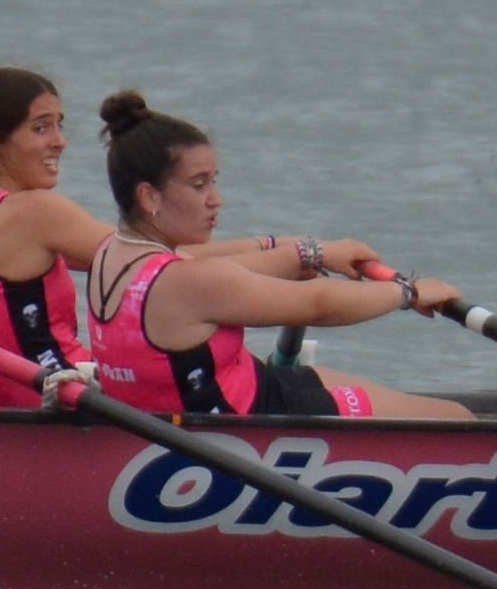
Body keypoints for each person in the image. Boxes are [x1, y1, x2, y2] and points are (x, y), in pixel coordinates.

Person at [77, 94, 475, 423]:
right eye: (199, 185)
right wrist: (409, 292)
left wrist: (311, 252)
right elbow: (317, 304)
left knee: (366, 390)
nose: (216, 199)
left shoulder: (112, 253)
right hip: (252, 424)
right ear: (149, 196)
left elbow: (234, 270)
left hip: (248, 388)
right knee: (458, 419)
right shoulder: (188, 282)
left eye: (214, 181)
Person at [0, 65, 111, 410]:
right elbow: (155, 268)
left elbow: (142, 259)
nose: (60, 141)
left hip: (29, 406)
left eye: (59, 125)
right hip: (74, 405)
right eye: (41, 128)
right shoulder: (32, 212)